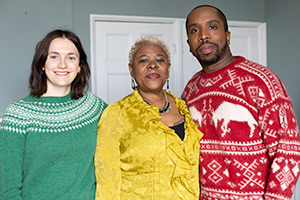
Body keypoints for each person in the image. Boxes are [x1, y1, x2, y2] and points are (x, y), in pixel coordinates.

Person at [182, 5, 300, 200]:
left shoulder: (263, 81)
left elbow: (287, 152)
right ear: (189, 43)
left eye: (212, 27)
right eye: (195, 30)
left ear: (227, 36)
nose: (203, 36)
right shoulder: (190, 89)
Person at [0, 29, 107, 199]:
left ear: (80, 67)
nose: (62, 64)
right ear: (42, 64)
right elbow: (7, 189)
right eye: (54, 57)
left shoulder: (94, 107)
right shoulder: (17, 115)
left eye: (71, 57)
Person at [94, 36, 203, 199]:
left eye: (160, 60)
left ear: (168, 68)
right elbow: (107, 180)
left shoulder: (186, 108)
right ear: (131, 70)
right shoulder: (117, 113)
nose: (153, 65)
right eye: (143, 61)